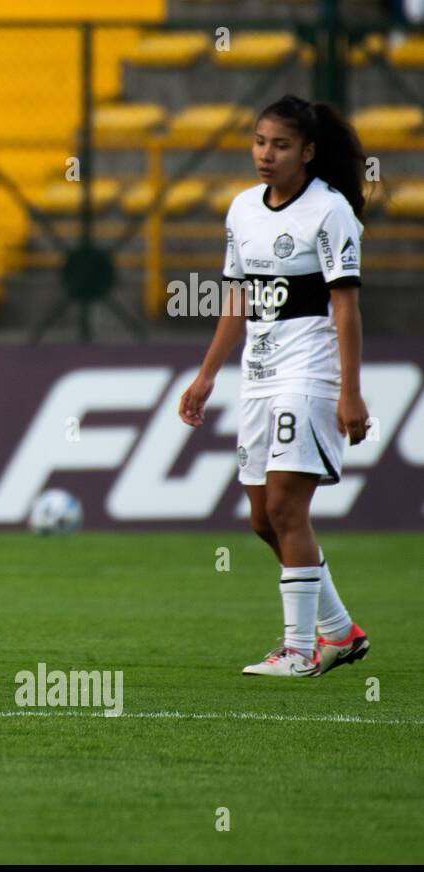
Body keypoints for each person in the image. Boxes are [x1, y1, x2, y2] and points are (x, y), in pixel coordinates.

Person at [179, 93, 369, 678]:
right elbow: (237, 299)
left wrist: (351, 391)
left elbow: (346, 308)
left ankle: (298, 650)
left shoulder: (330, 211)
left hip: (309, 373)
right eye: (260, 142)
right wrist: (208, 374)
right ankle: (339, 632)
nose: (266, 154)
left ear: (308, 152)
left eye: (280, 145)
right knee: (264, 520)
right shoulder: (242, 209)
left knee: (288, 506)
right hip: (258, 377)